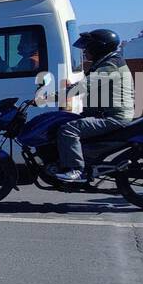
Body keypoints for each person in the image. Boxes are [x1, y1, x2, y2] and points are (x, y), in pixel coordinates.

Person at [50, 29, 136, 182]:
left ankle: (76, 170)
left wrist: (50, 97)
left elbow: (84, 86)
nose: (85, 51)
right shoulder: (107, 62)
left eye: (88, 47)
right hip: (104, 113)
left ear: (99, 48)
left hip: (112, 117)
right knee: (63, 121)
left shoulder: (110, 65)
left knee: (69, 129)